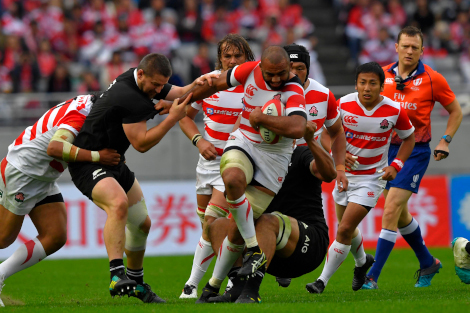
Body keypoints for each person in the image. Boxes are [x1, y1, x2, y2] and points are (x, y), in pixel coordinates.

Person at [67, 53, 202, 302]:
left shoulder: (134, 76)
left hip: (115, 161)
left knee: (142, 224)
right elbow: (141, 144)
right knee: (117, 204)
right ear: (141, 75)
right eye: (155, 85)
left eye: (163, 84)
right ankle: (117, 275)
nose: (159, 90)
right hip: (88, 163)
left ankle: (137, 284)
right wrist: (173, 116)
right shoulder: (130, 99)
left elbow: (179, 92)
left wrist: (199, 84)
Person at [180, 46, 307, 303]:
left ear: (289, 69)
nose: (275, 80)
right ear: (260, 66)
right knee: (233, 180)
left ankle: (212, 287)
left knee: (234, 230)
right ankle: (253, 248)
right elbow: (214, 84)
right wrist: (181, 98)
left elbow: (297, 127)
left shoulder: (294, 89)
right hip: (244, 142)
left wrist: (262, 118)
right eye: (270, 74)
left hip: (274, 160)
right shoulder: (247, 71)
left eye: (281, 74)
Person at [363, 26, 463, 289]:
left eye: (414, 47)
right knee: (402, 214)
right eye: (405, 46)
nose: (409, 51)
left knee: (391, 208)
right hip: (384, 150)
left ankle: (372, 276)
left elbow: (456, 111)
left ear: (421, 50)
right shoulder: (380, 75)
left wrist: (446, 140)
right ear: (396, 47)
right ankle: (428, 261)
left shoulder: (433, 79)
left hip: (415, 151)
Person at [0, 93, 120, 307]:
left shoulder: (90, 104)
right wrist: (98, 157)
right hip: (22, 172)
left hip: (42, 177)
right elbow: (54, 148)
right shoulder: (80, 116)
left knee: (55, 235)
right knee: (3, 238)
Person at [306, 62, 415, 294]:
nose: (367, 88)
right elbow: (326, 135)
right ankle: (362, 262)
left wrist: (396, 165)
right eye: (362, 82)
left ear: (382, 86)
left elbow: (409, 139)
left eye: (372, 83)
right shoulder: (343, 104)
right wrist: (340, 157)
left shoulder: (394, 110)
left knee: (344, 229)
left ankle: (321, 281)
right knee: (348, 228)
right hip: (344, 176)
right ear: (356, 84)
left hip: (372, 179)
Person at [204, 121, 335, 303]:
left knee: (267, 221)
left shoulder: (300, 154)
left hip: (309, 245)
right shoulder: (250, 160)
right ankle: (237, 286)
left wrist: (311, 140)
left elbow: (329, 174)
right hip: (269, 253)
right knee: (217, 226)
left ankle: (251, 292)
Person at [178, 34, 255, 299]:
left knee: (213, 222)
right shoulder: (209, 82)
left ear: (247, 58)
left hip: (235, 164)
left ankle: (192, 285)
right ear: (220, 58)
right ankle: (236, 277)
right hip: (206, 164)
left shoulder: (254, 85)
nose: (232, 61)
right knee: (211, 228)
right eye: (227, 56)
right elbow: (184, 116)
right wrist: (199, 141)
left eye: (238, 56)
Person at [283, 43, 347, 191]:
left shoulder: (323, 94)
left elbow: (337, 132)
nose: (294, 73)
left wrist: (340, 169)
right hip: (272, 168)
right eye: (289, 68)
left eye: (300, 68)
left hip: (308, 171)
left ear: (308, 70)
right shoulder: (267, 91)